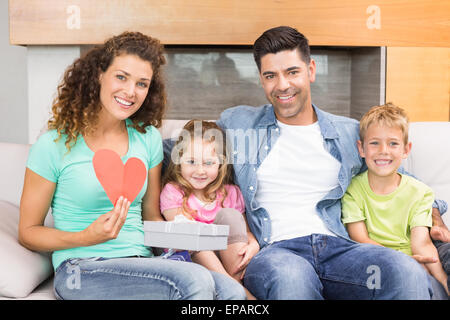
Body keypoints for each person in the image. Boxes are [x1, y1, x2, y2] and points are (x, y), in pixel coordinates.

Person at [215, 26, 448, 299]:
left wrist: (434, 218)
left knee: (404, 270)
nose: (282, 85)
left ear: (311, 70)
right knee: (291, 280)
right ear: (261, 79)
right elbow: (184, 151)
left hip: (342, 250)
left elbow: (404, 180)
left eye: (292, 72)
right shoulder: (239, 125)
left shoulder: (350, 133)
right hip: (277, 252)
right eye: (270, 76)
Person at [19, 31, 245, 300]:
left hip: (143, 262)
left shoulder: (147, 138)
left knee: (231, 292)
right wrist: (85, 237)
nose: (130, 92)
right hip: (82, 267)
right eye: (121, 77)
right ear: (98, 75)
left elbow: (150, 216)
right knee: (193, 282)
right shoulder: (54, 144)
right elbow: (28, 232)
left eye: (142, 83)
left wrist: (192, 236)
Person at [341, 103, 448, 299]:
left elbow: (422, 244)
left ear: (406, 150)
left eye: (393, 143)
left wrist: (443, 281)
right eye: (374, 143)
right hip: (375, 262)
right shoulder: (352, 191)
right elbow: (361, 239)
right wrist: (405, 262)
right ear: (361, 148)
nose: (383, 151)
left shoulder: (420, 192)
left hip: (416, 260)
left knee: (434, 287)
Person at [161, 119, 259, 299]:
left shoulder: (231, 193)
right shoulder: (173, 192)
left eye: (208, 163)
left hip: (228, 261)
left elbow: (244, 232)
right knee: (191, 234)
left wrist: (254, 244)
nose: (200, 170)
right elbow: (185, 236)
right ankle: (239, 291)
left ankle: (232, 289)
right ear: (179, 160)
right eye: (191, 161)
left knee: (229, 216)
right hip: (192, 261)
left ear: (220, 163)